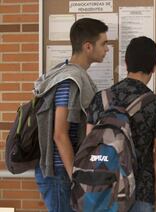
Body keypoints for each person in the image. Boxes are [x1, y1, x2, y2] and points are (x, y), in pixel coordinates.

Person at [86, 36, 156, 212]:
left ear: (126, 64)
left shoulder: (100, 99)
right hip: (139, 194)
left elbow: (89, 145)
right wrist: (142, 189)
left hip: (102, 191)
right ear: (155, 67)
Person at [33, 18, 109, 212]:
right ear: (88, 47)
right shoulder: (70, 81)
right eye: (104, 43)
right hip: (60, 174)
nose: (107, 49)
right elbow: (59, 134)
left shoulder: (69, 74)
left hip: (63, 172)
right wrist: (76, 177)